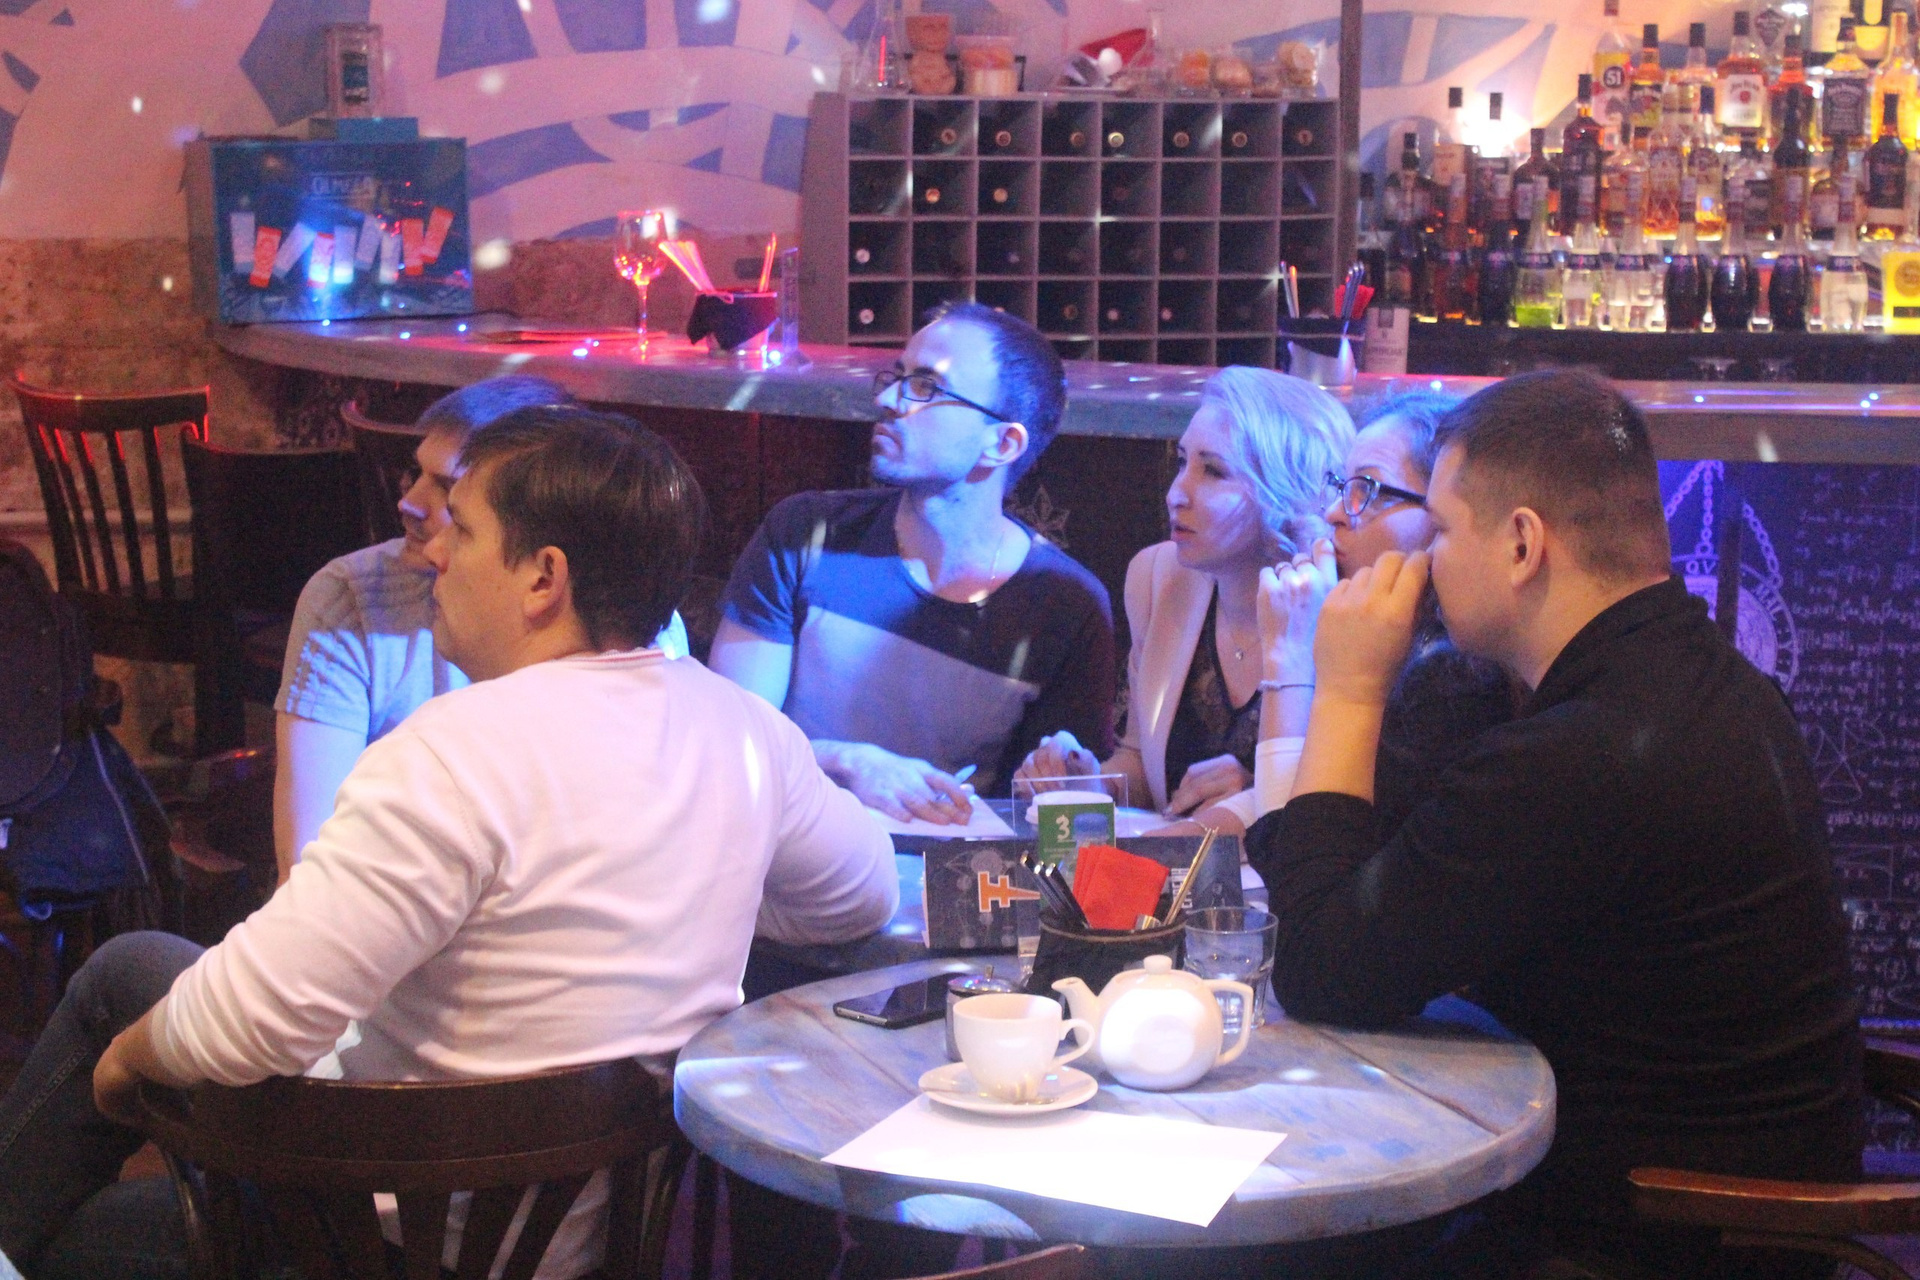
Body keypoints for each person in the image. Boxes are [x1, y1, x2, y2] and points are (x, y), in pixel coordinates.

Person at [0, 407, 897, 1280]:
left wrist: (126, 1063)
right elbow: (864, 896)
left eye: (461, 531)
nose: (432, 553)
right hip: (590, 1235)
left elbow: (257, 1021)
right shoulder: (748, 733)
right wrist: (713, 880)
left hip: (383, 1239)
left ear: (543, 578)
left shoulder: (449, 752)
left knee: (69, 1205)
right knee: (137, 969)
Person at [1251, 371, 1862, 1277]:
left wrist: (1345, 688)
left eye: (1443, 531)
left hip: (1659, 1234)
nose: (1428, 561)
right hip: (1747, 1212)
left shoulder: (1580, 752)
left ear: (1522, 544)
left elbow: (1319, 970)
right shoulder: (1709, 678)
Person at [709, 302, 1115, 824]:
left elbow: (1055, 817)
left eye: (926, 387)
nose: (886, 400)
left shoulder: (1066, 604)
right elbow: (729, 738)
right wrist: (848, 763)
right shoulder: (806, 533)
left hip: (954, 863)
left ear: (1002, 443)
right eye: (897, 377)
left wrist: (1064, 783)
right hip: (792, 845)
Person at [273, 376, 688, 880]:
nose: (409, 502)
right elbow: (308, 864)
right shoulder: (351, 599)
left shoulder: (633, 627)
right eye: (415, 474)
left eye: (449, 491)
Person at [1014, 367, 1351, 834]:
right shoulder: (1157, 577)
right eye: (1181, 462)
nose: (1176, 494)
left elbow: (1351, 800)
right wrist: (1089, 783)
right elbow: (1144, 767)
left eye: (1213, 471)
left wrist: (1259, 787)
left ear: (1287, 490)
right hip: (1176, 868)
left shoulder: (1340, 607)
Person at [1250, 390, 1516, 839]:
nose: (1334, 513)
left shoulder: (1449, 678)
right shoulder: (1385, 640)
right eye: (1342, 487)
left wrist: (1287, 657)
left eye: (1369, 491)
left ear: (1443, 516)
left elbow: (1294, 858)